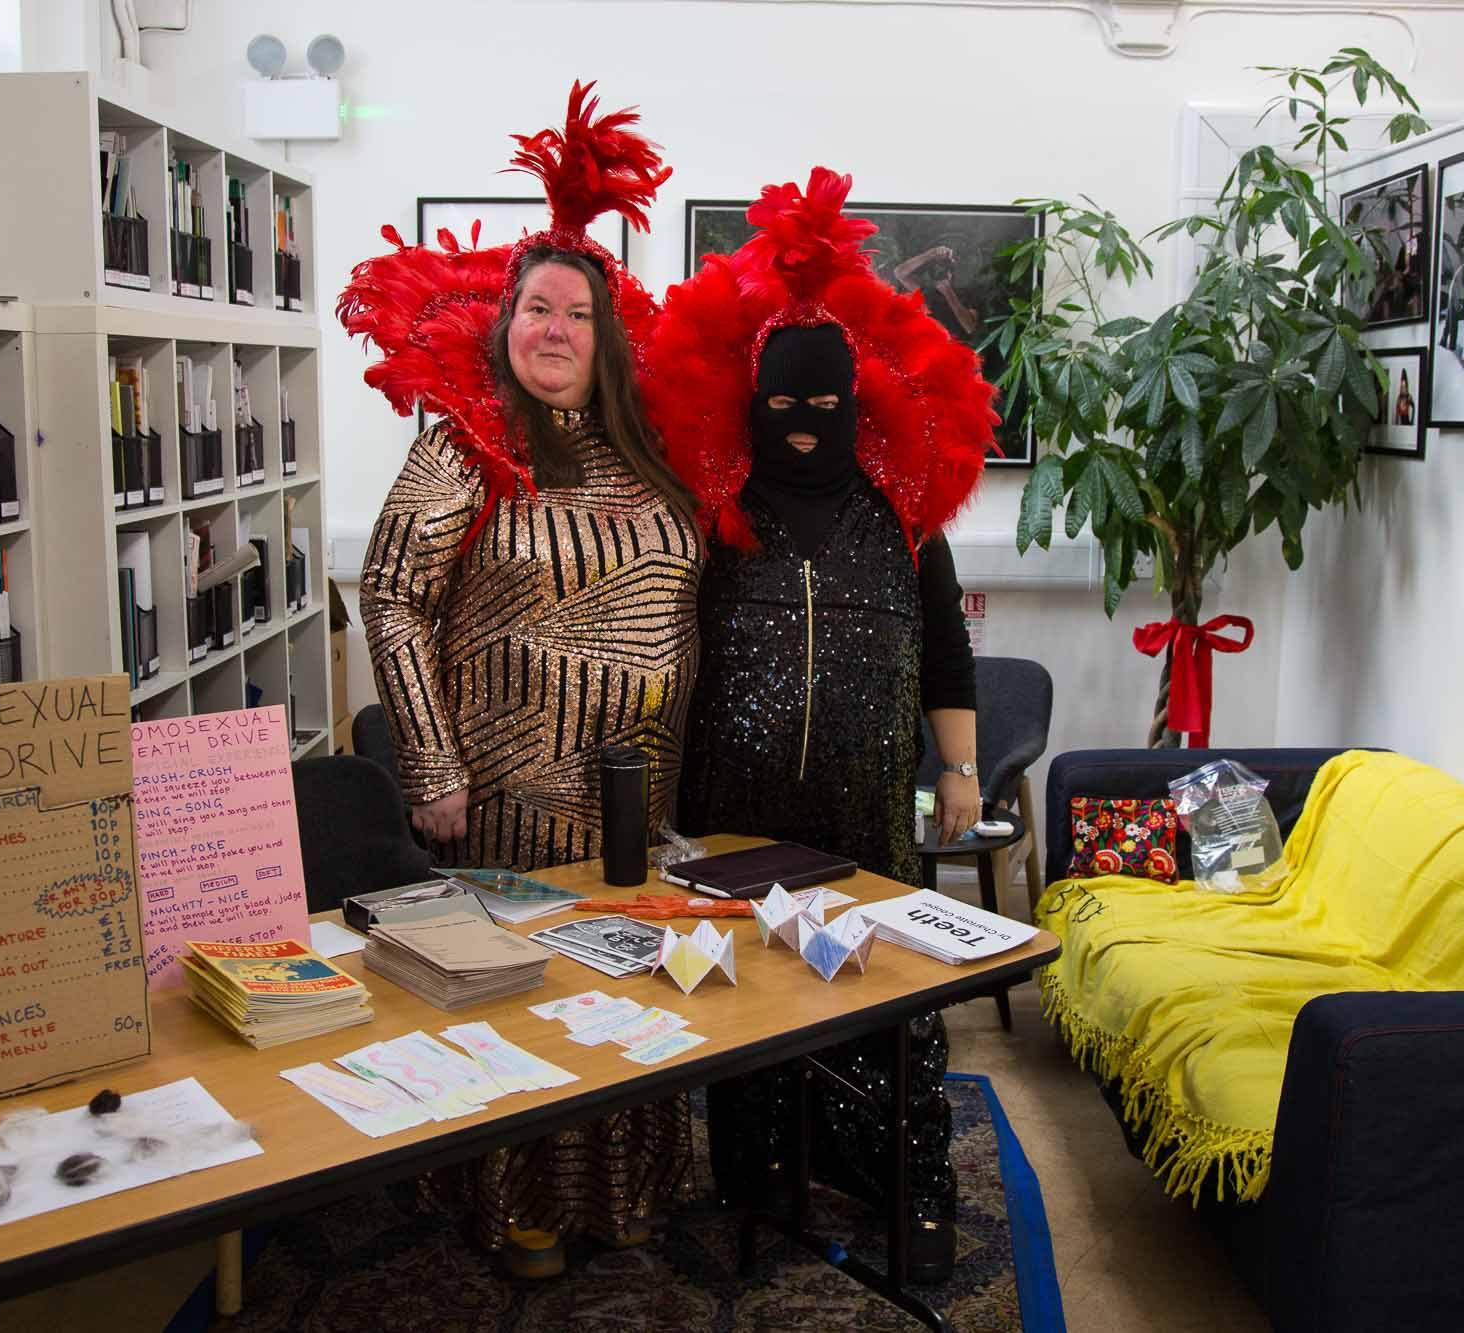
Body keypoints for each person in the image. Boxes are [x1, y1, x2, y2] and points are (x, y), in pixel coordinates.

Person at [341, 82, 700, 1265]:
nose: (553, 329)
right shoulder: (464, 445)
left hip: (636, 796)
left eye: (576, 314)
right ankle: (517, 1203)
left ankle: (622, 1194)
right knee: (529, 999)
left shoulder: (642, 455)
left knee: (627, 993)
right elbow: (390, 593)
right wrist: (431, 763)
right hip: (501, 797)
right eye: (535, 310)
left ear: (607, 336)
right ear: (504, 328)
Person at [642, 168, 996, 1283]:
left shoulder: (902, 518)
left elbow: (946, 649)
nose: (803, 429)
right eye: (782, 408)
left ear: (856, 404)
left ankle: (906, 1184)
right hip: (736, 815)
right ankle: (757, 1176)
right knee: (745, 1001)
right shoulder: (716, 517)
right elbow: (669, 660)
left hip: (862, 813)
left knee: (878, 999)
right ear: (753, 407)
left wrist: (961, 770)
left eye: (823, 407)